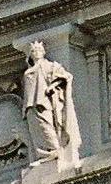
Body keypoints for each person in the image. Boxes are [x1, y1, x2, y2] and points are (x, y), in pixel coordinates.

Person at [20, 39, 80, 170]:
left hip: (44, 102)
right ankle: (42, 155)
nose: (36, 53)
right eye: (33, 51)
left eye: (39, 50)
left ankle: (54, 151)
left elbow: (65, 76)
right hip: (31, 105)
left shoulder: (49, 66)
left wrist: (52, 86)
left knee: (46, 125)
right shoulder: (28, 72)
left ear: (43, 52)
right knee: (35, 128)